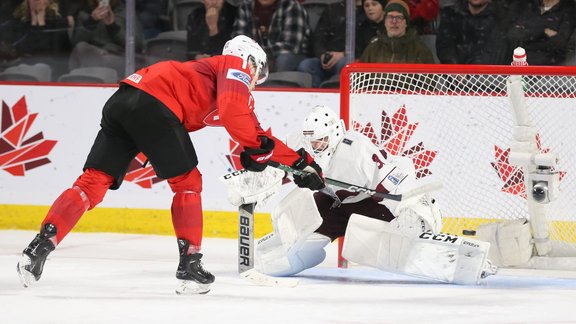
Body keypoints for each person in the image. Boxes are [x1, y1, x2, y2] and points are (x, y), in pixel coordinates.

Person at [16, 35, 325, 295]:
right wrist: (259, 150)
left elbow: (254, 132)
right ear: (252, 62)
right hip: (156, 104)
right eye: (258, 73)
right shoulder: (236, 65)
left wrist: (302, 163)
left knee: (92, 182)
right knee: (188, 183)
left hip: (124, 101)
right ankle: (190, 267)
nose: (255, 80)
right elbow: (238, 119)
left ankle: (38, 248)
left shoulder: (212, 80)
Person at [244, 105, 497, 285]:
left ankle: (464, 259)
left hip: (370, 203)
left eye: (320, 141)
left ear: (333, 134)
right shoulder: (301, 141)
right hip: (335, 201)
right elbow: (277, 163)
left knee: (390, 247)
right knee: (293, 252)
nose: (313, 146)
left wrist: (411, 209)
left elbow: (395, 179)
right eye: (311, 141)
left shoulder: (356, 149)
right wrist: (259, 178)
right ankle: (265, 253)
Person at [296, 0, 365, 88]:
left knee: (344, 64)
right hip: (327, 57)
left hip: (350, 58)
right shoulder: (332, 9)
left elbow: (365, 42)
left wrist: (344, 54)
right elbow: (319, 35)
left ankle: (335, 93)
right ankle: (316, 95)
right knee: (306, 65)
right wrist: (322, 54)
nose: (370, 6)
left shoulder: (368, 9)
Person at [68, 0, 144, 79]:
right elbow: (76, 43)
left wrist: (112, 26)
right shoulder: (84, 14)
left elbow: (137, 45)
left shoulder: (126, 13)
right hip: (91, 58)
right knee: (82, 47)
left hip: (117, 57)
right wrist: (91, 21)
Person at [231, 0, 311, 72]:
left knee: (283, 60)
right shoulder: (245, 6)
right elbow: (239, 41)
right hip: (254, 57)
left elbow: (291, 46)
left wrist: (260, 54)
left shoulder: (292, 6)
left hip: (290, 56)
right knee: (236, 61)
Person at [1, 0, 71, 80]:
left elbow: (52, 52)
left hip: (51, 67)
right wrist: (34, 23)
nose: (36, 2)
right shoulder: (21, 22)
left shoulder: (58, 23)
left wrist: (41, 23)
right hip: (23, 65)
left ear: (49, 2)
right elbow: (21, 50)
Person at [360, 0, 435, 63]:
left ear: (406, 23)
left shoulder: (421, 51)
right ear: (385, 22)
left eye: (399, 17)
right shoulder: (372, 50)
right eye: (390, 17)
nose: (394, 21)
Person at [436, 0, 509, 64]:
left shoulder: (502, 19)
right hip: (453, 76)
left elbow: (495, 52)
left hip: (488, 76)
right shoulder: (451, 13)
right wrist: (455, 69)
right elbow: (444, 47)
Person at [506, 0, 576, 66]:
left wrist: (532, 30)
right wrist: (544, 30)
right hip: (522, 64)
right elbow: (513, 33)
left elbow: (562, 43)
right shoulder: (530, 5)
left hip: (553, 70)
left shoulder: (569, 9)